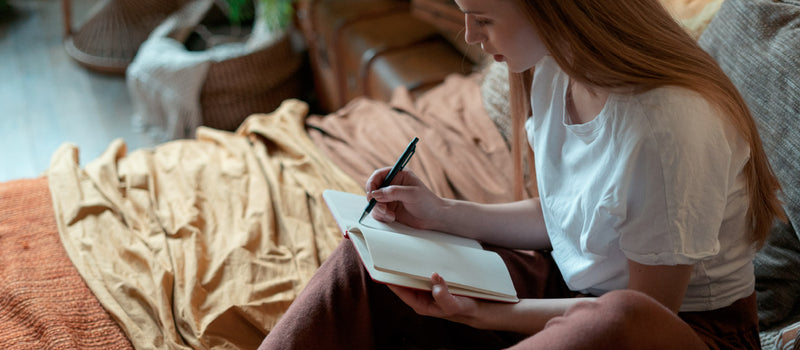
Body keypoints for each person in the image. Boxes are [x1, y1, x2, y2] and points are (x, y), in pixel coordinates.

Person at [260, 0, 785, 348]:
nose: (470, 35)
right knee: (371, 259)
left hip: (681, 331)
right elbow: (566, 216)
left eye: (484, 18)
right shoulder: (556, 67)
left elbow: (645, 315)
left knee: (610, 318)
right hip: (576, 291)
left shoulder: (666, 127)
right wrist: (441, 214)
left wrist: (489, 315)